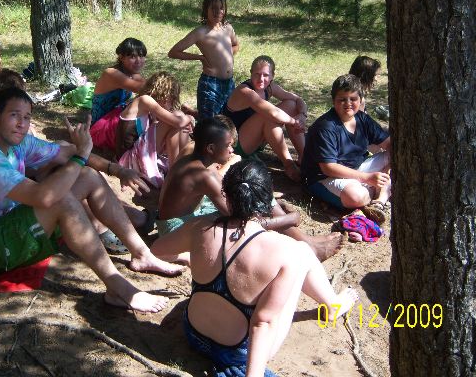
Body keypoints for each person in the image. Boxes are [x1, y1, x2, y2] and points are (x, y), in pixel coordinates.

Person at [0, 87, 183, 312]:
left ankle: (142, 254)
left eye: (27, 117)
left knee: (87, 176)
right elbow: (44, 196)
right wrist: (81, 155)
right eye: (14, 115)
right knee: (62, 200)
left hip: (8, 226)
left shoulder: (15, 141)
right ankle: (117, 288)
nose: (22, 124)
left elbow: (69, 153)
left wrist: (116, 169)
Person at [151, 159, 359, 377]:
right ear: (267, 201)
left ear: (226, 195)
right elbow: (263, 323)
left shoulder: (200, 227)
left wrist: (193, 254)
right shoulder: (283, 250)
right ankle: (332, 304)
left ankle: (331, 304)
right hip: (237, 353)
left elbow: (158, 249)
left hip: (194, 335)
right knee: (302, 253)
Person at [156, 116, 344, 262]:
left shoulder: (194, 154)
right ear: (211, 148)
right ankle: (306, 244)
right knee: (254, 204)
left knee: (259, 196)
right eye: (228, 146)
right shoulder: (204, 175)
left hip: (182, 219)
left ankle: (305, 241)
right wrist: (288, 219)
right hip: (175, 231)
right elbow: (241, 220)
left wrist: (264, 202)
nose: (232, 150)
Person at [301, 74, 391, 224]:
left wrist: (386, 168)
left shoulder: (363, 119)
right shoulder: (325, 127)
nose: (348, 103)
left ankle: (379, 201)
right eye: (342, 99)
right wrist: (367, 178)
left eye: (353, 99)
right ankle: (379, 191)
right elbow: (328, 168)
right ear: (333, 101)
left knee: (399, 156)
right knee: (356, 196)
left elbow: (389, 145)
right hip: (325, 178)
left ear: (360, 100)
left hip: (357, 170)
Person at [222, 56, 306, 182]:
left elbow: (298, 100)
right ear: (251, 74)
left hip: (253, 138)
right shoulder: (245, 91)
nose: (261, 79)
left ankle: (304, 157)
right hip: (235, 143)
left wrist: (302, 115)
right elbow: (273, 113)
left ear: (272, 76)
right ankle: (289, 165)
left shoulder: (270, 87)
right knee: (267, 116)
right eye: (257, 74)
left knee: (291, 105)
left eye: (266, 75)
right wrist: (295, 121)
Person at [168, 0, 239, 120]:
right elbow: (174, 52)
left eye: (221, 8)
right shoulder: (200, 32)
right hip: (210, 83)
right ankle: (196, 119)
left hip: (229, 82)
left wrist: (226, 57)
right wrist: (199, 57)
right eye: (213, 8)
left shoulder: (228, 28)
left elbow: (235, 45)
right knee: (210, 122)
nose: (218, 12)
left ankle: (193, 113)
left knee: (226, 118)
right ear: (206, 10)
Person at [116, 72, 194, 188]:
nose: (172, 102)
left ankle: (180, 166)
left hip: (139, 152)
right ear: (165, 95)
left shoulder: (149, 107)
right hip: (129, 160)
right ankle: (176, 172)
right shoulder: (144, 100)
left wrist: (183, 120)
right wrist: (190, 118)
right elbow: (178, 122)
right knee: (178, 116)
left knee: (178, 122)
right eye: (172, 98)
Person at [90, 38, 147, 151]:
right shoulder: (111, 73)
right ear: (121, 57)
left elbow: (148, 88)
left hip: (115, 119)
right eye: (132, 57)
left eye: (141, 56)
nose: (138, 61)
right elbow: (142, 88)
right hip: (99, 128)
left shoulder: (131, 72)